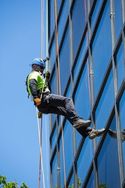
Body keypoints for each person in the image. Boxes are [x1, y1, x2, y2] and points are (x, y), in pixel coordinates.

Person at [26, 58, 105, 139]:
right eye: (42, 68)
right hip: (44, 99)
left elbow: (44, 88)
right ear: (36, 66)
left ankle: (89, 132)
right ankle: (77, 121)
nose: (42, 70)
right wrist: (36, 98)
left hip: (42, 106)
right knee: (67, 101)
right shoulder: (34, 74)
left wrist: (46, 80)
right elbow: (32, 85)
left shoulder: (38, 75)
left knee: (67, 112)